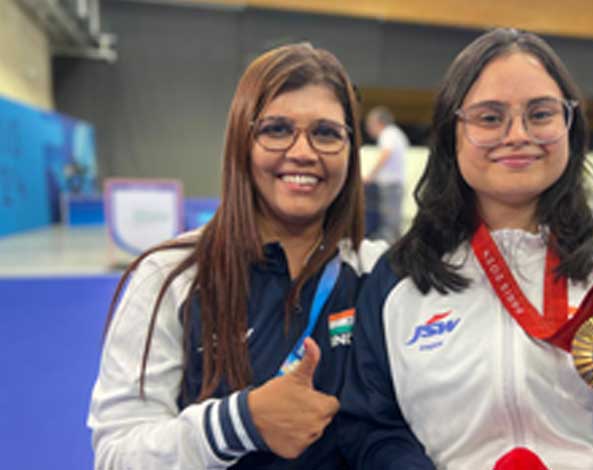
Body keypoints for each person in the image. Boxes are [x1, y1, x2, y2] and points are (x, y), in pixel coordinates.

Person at [339, 29, 593, 470]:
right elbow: (372, 432)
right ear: (451, 133)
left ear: (569, 124)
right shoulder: (398, 279)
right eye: (490, 118)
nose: (517, 135)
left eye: (540, 113)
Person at [88, 43, 386, 469]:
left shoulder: (379, 273)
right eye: (277, 129)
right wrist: (239, 422)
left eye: (326, 133)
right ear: (241, 142)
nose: (303, 151)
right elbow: (117, 456)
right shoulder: (170, 277)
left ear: (350, 149)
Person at [364, 106, 409, 241]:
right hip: (395, 185)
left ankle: (390, 257)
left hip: (390, 186)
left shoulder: (388, 134)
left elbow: (385, 154)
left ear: (378, 123)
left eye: (370, 124)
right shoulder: (396, 133)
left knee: (389, 224)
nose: (369, 129)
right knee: (393, 223)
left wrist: (370, 176)